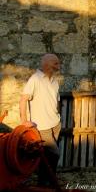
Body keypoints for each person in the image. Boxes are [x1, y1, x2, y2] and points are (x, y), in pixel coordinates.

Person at [19, 53, 61, 187]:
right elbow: (23, 99)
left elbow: (56, 101)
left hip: (56, 124)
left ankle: (46, 182)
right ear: (47, 64)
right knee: (55, 153)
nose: (58, 66)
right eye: (56, 63)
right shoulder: (35, 79)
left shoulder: (55, 81)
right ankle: (48, 181)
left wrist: (57, 117)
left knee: (47, 156)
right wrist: (24, 121)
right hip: (42, 126)